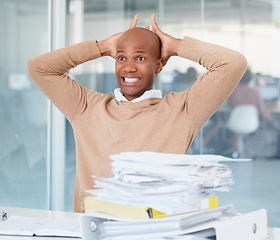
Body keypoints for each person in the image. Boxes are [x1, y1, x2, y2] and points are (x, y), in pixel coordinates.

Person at [27, 14, 247, 212]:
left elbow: (233, 64)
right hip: (93, 231)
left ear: (158, 66)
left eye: (140, 58)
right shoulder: (86, 107)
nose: (129, 68)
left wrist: (176, 45)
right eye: (122, 58)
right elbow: (39, 68)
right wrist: (102, 46)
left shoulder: (183, 111)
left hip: (154, 232)